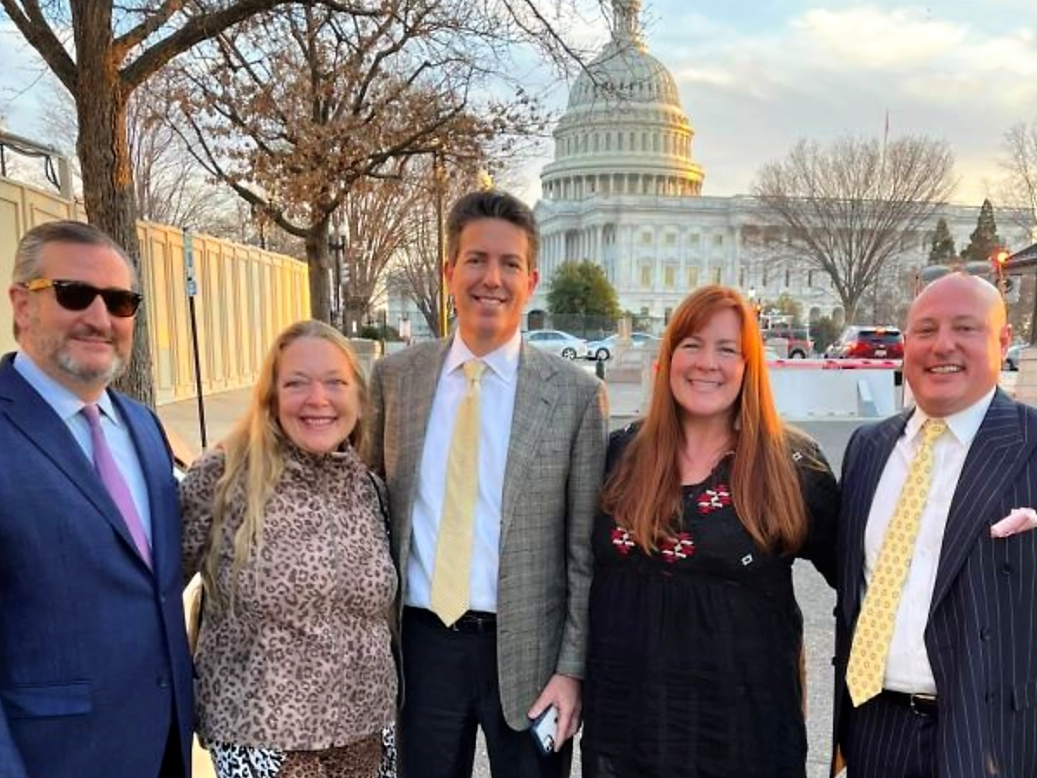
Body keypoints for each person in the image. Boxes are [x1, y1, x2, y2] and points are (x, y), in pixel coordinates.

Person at [365, 189, 608, 778]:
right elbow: (369, 512)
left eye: (509, 264)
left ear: (531, 278)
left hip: (529, 656)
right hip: (422, 650)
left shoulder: (576, 397)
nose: (490, 278)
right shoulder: (396, 379)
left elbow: (583, 553)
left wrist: (571, 670)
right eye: (475, 259)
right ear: (450, 270)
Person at [581, 285, 839, 778]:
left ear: (748, 367)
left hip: (744, 740)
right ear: (669, 355)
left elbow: (860, 583)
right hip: (627, 735)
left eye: (727, 349)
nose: (707, 363)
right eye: (692, 344)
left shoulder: (791, 465)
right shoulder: (617, 456)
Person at [0, 220, 192, 778]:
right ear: (21, 303)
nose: (99, 318)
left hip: (160, 745)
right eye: (73, 294)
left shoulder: (144, 428)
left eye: (120, 301)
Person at [835, 272, 1037, 777]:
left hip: (993, 741)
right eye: (925, 330)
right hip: (874, 730)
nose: (941, 344)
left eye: (965, 328)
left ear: (1002, 341)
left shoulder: (1032, 444)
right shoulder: (868, 449)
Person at [180, 319, 397, 778]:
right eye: (296, 383)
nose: (318, 399)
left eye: (335, 383)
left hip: (367, 731)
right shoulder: (222, 479)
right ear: (271, 398)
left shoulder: (370, 490)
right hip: (261, 735)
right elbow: (152, 596)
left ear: (358, 396)